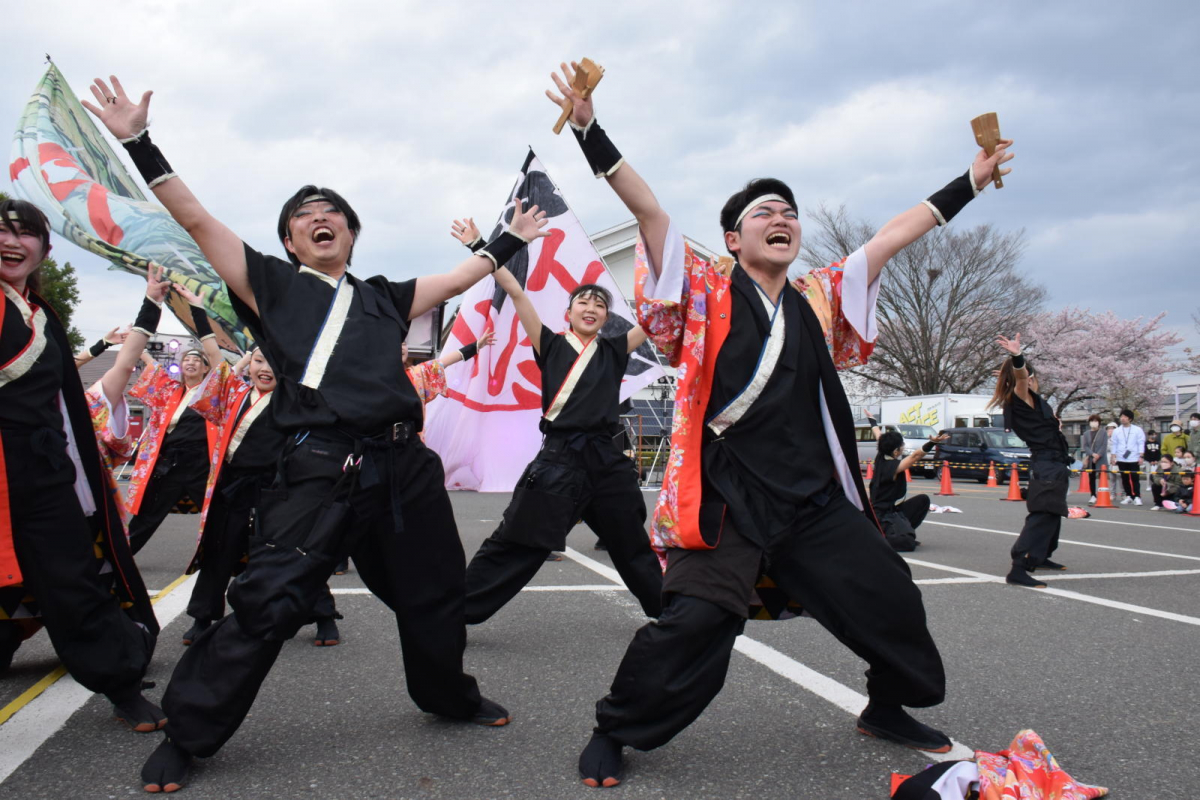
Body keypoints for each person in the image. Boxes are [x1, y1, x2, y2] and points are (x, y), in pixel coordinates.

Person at [545, 61, 1014, 788]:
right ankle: (617, 728)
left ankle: (887, 706)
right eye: (763, 212)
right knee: (695, 625)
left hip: (812, 497)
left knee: (891, 599)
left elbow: (893, 236)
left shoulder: (819, 298)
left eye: (789, 212)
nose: (782, 218)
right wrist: (587, 129)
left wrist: (971, 179)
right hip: (727, 497)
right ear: (732, 238)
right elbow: (650, 213)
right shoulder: (701, 292)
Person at [85, 74, 548, 793]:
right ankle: (191, 732)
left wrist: (508, 239)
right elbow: (199, 221)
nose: (320, 218)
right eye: (305, 215)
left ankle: (447, 695)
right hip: (320, 470)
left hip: (406, 466)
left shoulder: (385, 296)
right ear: (289, 240)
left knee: (434, 592)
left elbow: (461, 277)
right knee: (267, 601)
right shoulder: (271, 284)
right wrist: (139, 142)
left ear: (353, 233)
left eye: (333, 212)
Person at [0, 197, 163, 731]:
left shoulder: (41, 313)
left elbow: (82, 392)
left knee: (73, 581)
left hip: (44, 473)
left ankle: (120, 682)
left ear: (44, 250)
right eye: (1, 231)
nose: (11, 241)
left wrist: (150, 305)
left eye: (25, 233)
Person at [463, 270, 663, 625]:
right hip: (560, 458)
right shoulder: (551, 344)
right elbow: (517, 293)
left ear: (606, 318)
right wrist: (489, 249)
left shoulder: (614, 349)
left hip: (607, 459)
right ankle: (456, 612)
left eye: (600, 305)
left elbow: (652, 320)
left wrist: (675, 280)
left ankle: (668, 612)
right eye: (582, 302)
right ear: (567, 314)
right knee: (520, 541)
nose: (591, 308)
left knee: (632, 542)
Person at [180, 346, 344, 648]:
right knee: (218, 551)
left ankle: (324, 615)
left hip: (275, 488)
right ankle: (202, 616)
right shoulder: (238, 394)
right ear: (249, 364)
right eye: (258, 361)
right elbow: (216, 365)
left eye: (273, 361)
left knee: (290, 553)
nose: (264, 368)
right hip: (232, 485)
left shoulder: (293, 400)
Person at [124, 284, 222, 554]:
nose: (190, 363)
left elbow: (217, 359)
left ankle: (235, 557)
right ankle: (119, 558)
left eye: (196, 360)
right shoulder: (170, 391)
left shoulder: (213, 392)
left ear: (205, 368)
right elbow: (151, 366)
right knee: (147, 514)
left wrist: (197, 313)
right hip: (169, 462)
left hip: (201, 463)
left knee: (218, 514)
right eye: (186, 359)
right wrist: (134, 340)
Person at [990, 336, 1071, 588]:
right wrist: (1017, 356)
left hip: (1054, 462)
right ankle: (1019, 566)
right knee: (1043, 513)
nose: (1034, 381)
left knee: (1054, 511)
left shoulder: (1035, 403)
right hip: (1046, 463)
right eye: (1032, 377)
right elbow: (1022, 378)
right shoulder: (1021, 396)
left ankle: (1041, 556)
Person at [869, 428, 948, 551]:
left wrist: (872, 421)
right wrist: (932, 443)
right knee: (907, 543)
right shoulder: (892, 467)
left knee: (923, 500)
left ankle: (904, 529)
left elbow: (879, 436)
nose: (903, 447)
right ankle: (884, 536)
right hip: (882, 515)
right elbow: (916, 456)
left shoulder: (881, 456)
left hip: (893, 510)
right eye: (902, 445)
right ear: (896, 451)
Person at [1109, 409, 1145, 505]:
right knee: (1124, 478)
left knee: (1135, 478)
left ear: (1130, 419)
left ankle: (1137, 496)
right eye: (1121, 416)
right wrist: (1113, 457)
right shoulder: (1116, 431)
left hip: (1134, 457)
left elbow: (1141, 443)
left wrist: (1141, 456)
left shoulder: (1137, 430)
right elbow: (1114, 444)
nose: (1123, 418)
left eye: (1125, 417)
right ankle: (1129, 496)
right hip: (1121, 458)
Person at [1079, 414, 1107, 505]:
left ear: (1099, 423)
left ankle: (1102, 493)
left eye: (1095, 421)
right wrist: (1092, 454)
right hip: (1091, 458)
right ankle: (1093, 495)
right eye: (1092, 421)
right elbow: (1085, 446)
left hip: (1101, 458)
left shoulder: (1103, 432)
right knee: (1091, 477)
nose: (1093, 423)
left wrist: (1098, 455)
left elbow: (1104, 445)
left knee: (1102, 477)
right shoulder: (1086, 433)